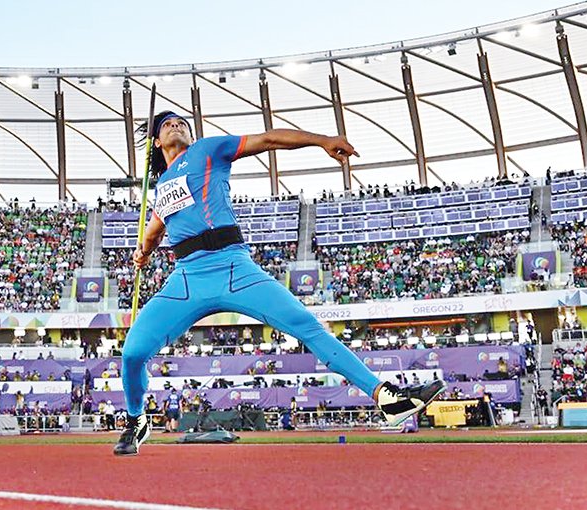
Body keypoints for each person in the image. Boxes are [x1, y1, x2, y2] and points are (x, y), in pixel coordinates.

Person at [114, 112, 444, 455]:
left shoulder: (208, 150)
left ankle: (386, 397)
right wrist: (144, 254)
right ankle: (136, 420)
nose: (176, 125)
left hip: (233, 267)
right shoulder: (162, 187)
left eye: (181, 122)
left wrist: (322, 141)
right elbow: (153, 231)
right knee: (133, 353)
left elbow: (268, 139)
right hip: (186, 278)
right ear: (156, 142)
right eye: (167, 124)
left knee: (307, 326)